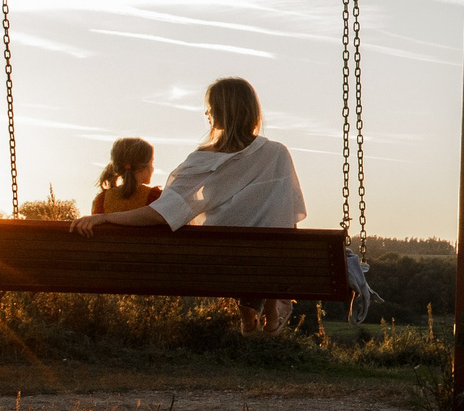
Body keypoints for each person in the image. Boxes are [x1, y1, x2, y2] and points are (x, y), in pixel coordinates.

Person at [72, 77, 305, 333]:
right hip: (270, 261)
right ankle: (271, 315)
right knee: (261, 245)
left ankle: (252, 317)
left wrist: (105, 218)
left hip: (218, 264)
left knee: (231, 242)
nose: (206, 113)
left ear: (220, 112)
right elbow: (287, 212)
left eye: (210, 108)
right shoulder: (278, 153)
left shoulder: (202, 160)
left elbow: (161, 213)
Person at [91, 137, 157, 215]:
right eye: (152, 162)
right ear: (141, 167)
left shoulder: (101, 200)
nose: (153, 168)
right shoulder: (156, 199)